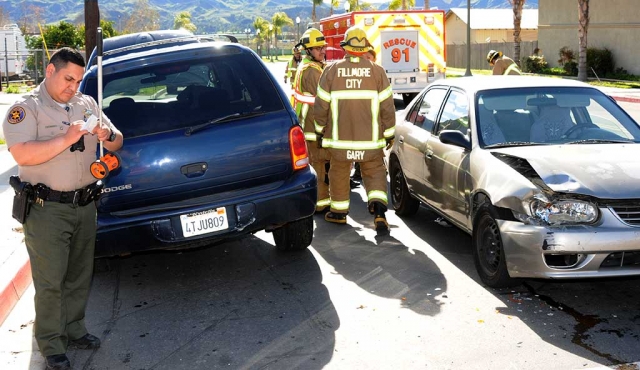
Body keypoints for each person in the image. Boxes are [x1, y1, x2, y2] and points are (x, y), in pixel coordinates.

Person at [2, 47, 123, 370]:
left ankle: (74, 329)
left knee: (79, 274)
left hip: (84, 204)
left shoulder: (86, 103)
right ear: (50, 71)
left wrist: (105, 133)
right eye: (68, 78)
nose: (74, 86)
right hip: (47, 209)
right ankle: (52, 344)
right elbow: (23, 155)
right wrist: (68, 138)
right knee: (51, 280)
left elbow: (118, 141)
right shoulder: (26, 109)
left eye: (79, 80)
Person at [314, 26, 396, 234]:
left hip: (340, 142)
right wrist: (389, 133)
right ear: (364, 48)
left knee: (339, 171)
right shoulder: (378, 72)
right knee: (374, 171)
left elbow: (321, 105)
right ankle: (378, 212)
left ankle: (339, 213)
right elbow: (388, 107)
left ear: (346, 48)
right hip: (370, 142)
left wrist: (319, 130)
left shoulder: (331, 71)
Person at [292, 28, 332, 213]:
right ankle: (321, 203)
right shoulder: (311, 71)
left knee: (320, 163)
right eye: (317, 48)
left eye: (323, 47)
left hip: (312, 125)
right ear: (308, 51)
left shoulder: (312, 67)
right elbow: (325, 99)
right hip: (313, 127)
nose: (322, 51)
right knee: (319, 164)